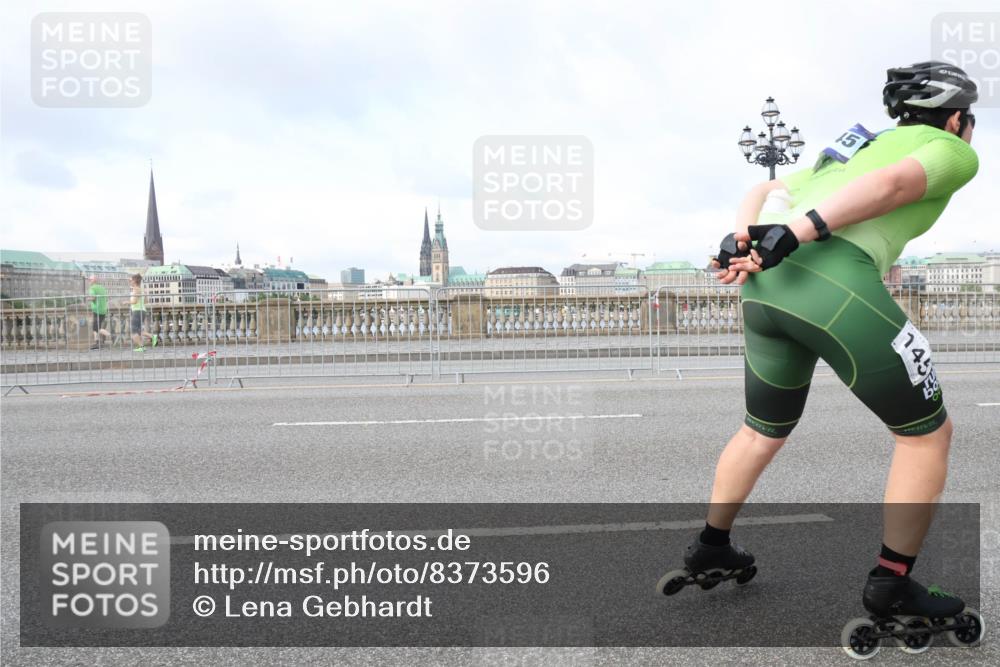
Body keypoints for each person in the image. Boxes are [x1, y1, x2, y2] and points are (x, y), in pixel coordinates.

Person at [687, 63, 980, 620]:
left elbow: (768, 187)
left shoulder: (844, 152)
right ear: (959, 119)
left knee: (759, 432)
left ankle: (711, 547)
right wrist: (799, 232)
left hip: (765, 292)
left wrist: (742, 236)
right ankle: (892, 585)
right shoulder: (954, 150)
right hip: (834, 285)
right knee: (925, 437)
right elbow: (893, 185)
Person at [129, 273, 159, 352]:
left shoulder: (135, 289)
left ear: (134, 281)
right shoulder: (142, 290)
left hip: (137, 311)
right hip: (142, 311)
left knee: (133, 333)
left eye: (131, 280)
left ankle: (142, 347)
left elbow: (134, 301)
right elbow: (146, 301)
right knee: (138, 330)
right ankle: (152, 337)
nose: (130, 281)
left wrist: (126, 302)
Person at [86, 275, 110, 350]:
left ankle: (110, 335)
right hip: (103, 309)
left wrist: (88, 299)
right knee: (96, 327)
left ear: (94, 280)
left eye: (90, 280)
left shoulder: (92, 288)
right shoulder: (102, 287)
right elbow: (106, 298)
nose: (89, 281)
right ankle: (97, 343)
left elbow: (93, 298)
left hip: (97, 309)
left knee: (96, 328)